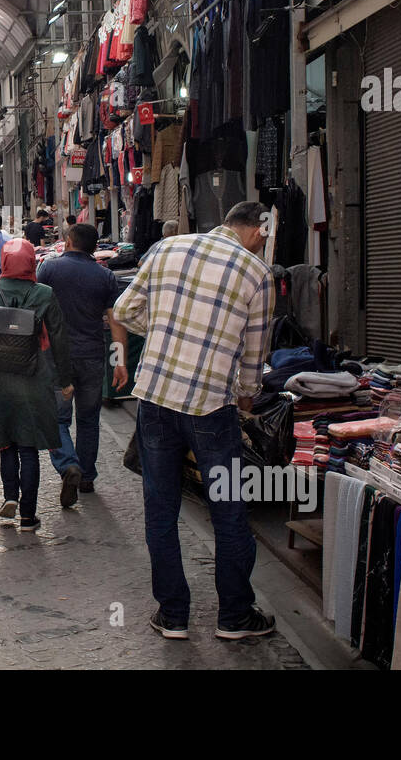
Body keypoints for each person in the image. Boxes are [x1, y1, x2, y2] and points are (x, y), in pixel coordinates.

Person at [110, 201, 276, 643]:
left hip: (155, 398)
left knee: (161, 508)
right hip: (211, 406)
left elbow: (123, 311)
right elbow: (254, 360)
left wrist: (166, 329)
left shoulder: (167, 248)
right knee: (228, 509)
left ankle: (174, 616)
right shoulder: (257, 273)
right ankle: (235, 618)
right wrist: (245, 399)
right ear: (259, 231)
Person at [0, 239, 72, 531]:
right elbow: (60, 340)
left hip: (0, 379)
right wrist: (66, 380)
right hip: (35, 377)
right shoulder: (45, 294)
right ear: (30, 262)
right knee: (29, 446)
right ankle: (28, 515)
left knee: (6, 443)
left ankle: (10, 496)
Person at [38, 222, 129, 505]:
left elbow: (36, 311)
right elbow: (116, 321)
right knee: (89, 419)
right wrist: (120, 361)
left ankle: (68, 466)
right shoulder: (105, 277)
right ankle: (86, 475)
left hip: (56, 357)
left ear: (67, 241)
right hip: (92, 355)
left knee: (57, 418)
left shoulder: (49, 269)